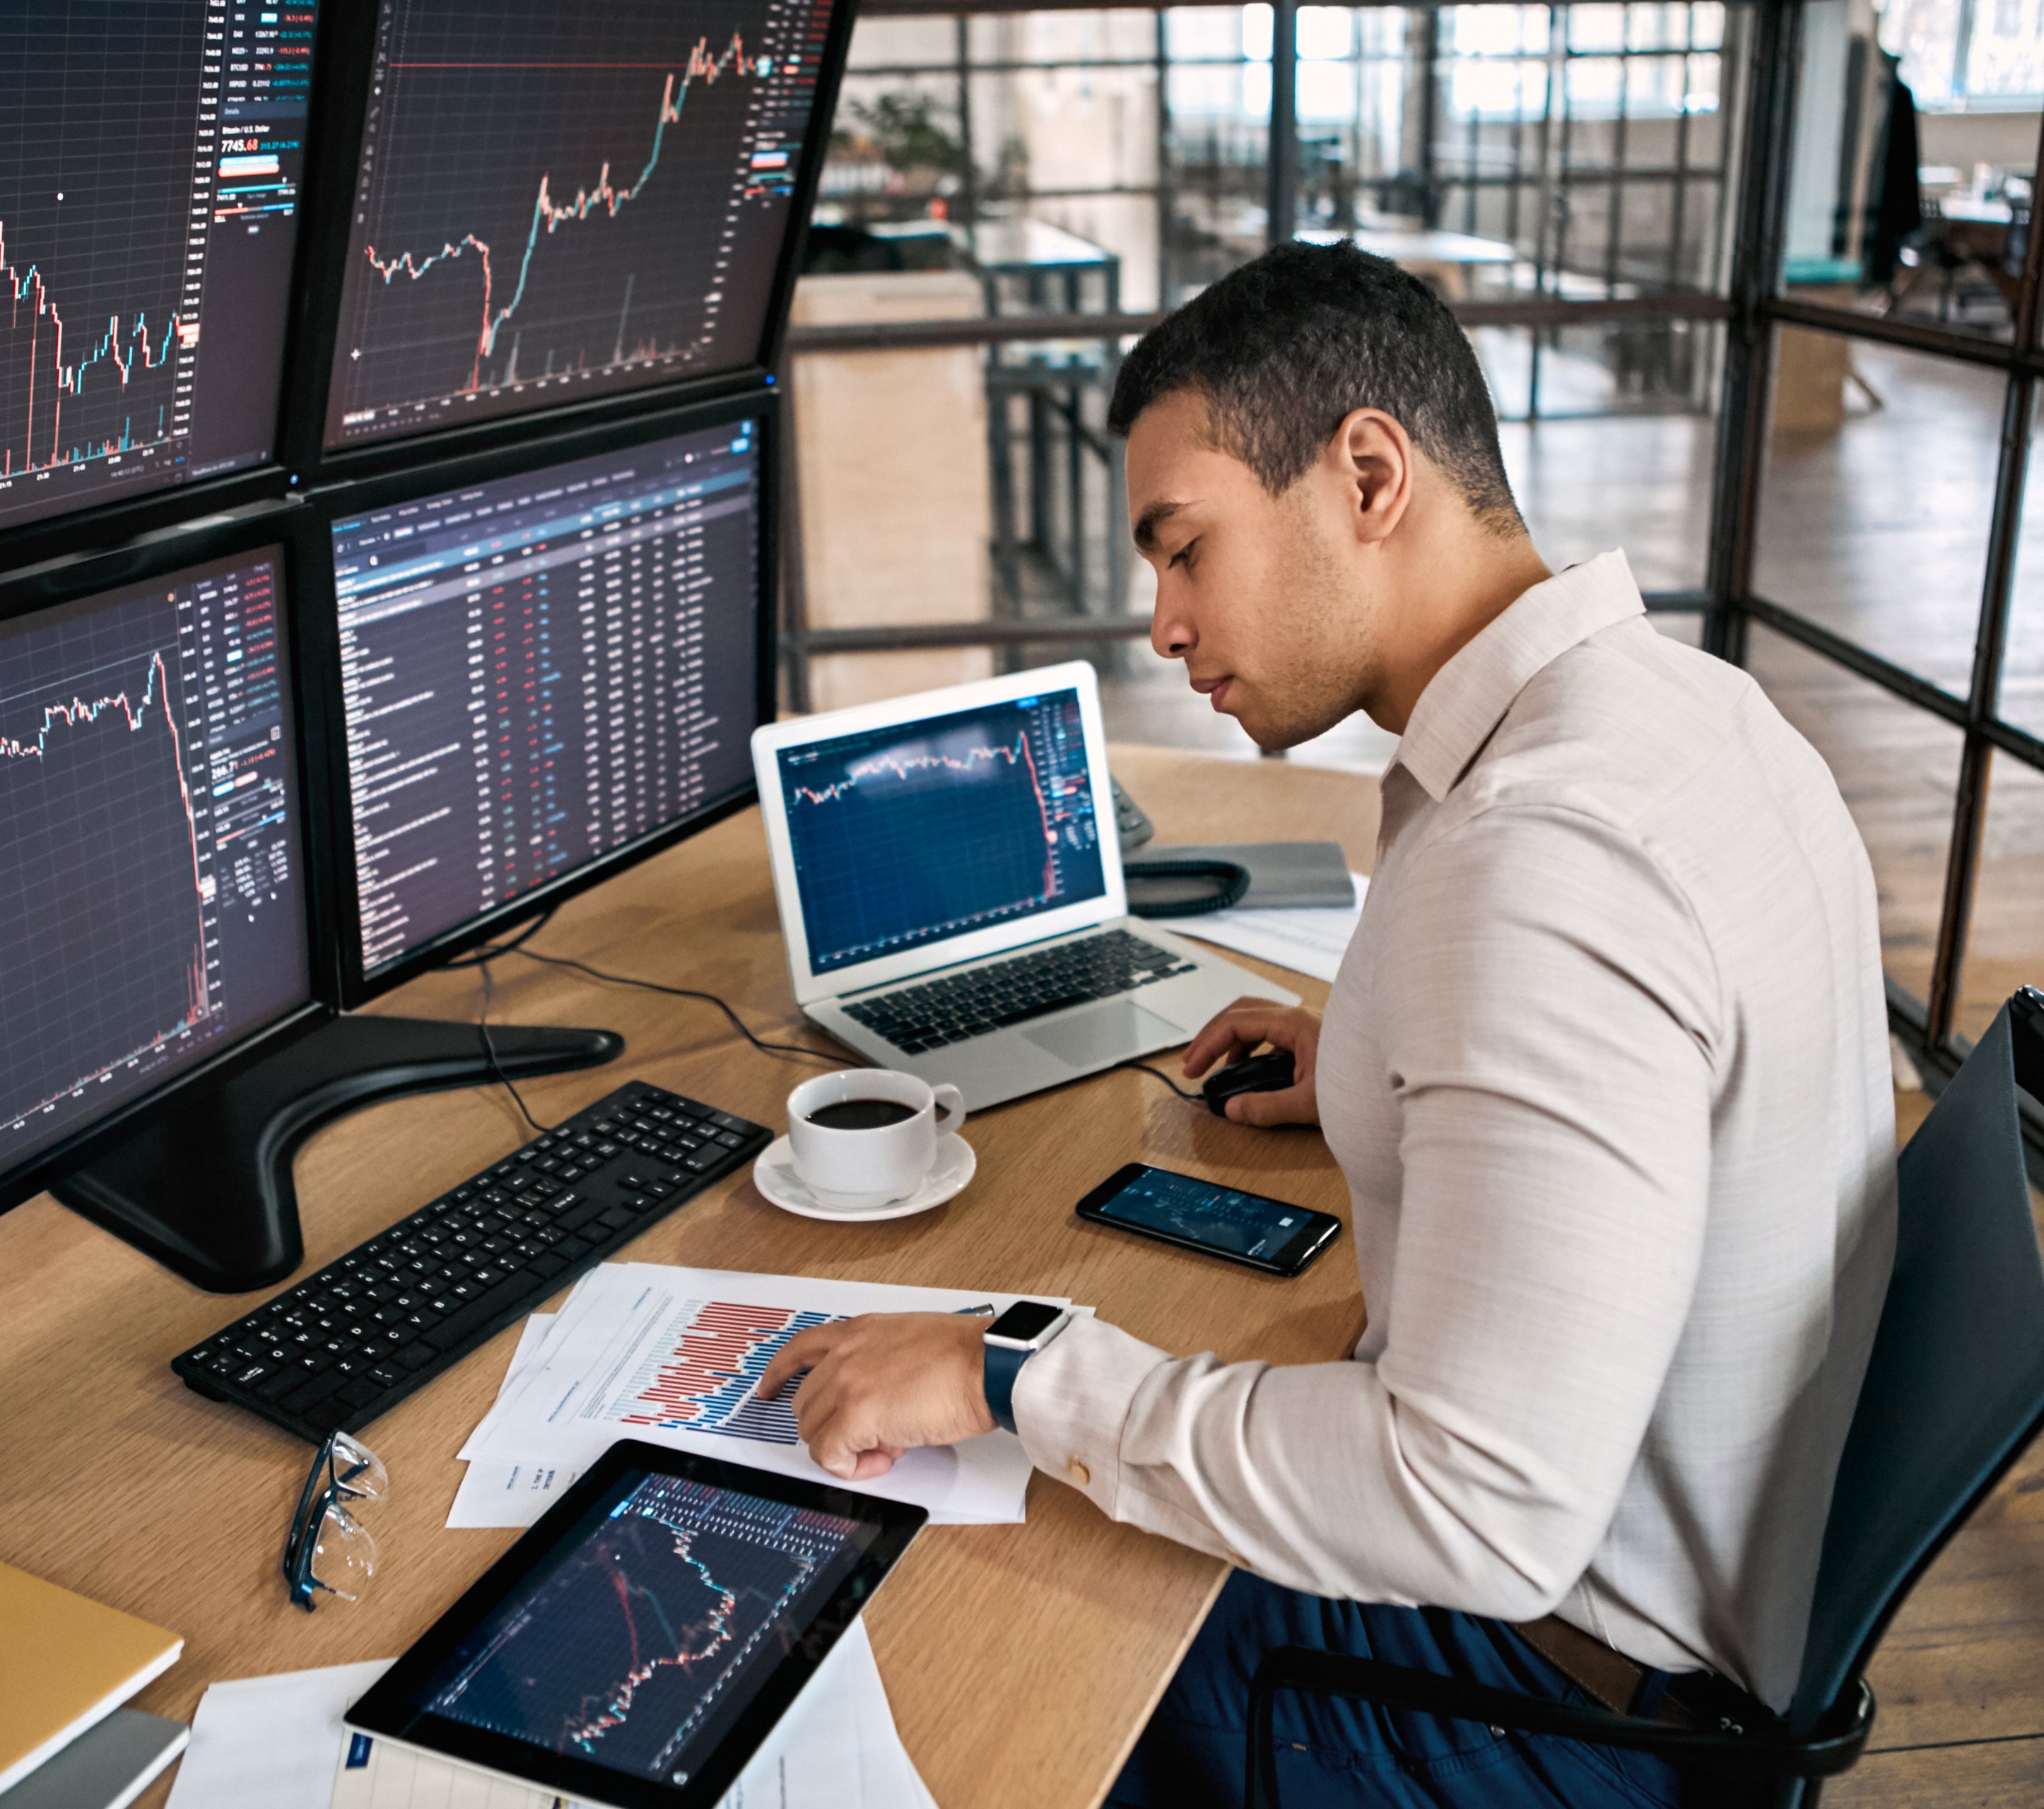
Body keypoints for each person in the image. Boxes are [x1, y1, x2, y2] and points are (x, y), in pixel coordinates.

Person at [756, 240, 1896, 1808]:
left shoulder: (1540, 862)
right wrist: (1381, 1058)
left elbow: (1479, 1503)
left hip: (1540, 1707)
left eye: (1185, 549)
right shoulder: (1692, 717)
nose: (1161, 621)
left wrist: (1012, 1368)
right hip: (1676, 1610)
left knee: (937, 1623)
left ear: (1368, 474)